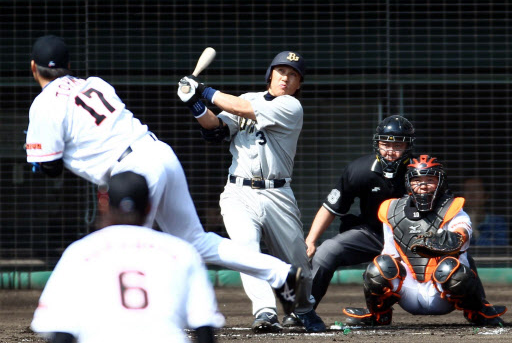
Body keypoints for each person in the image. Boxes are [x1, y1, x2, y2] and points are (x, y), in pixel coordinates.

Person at [25, 35, 302, 317]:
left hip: (133, 172)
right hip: (159, 152)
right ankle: (280, 272)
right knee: (195, 240)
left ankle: (137, 315)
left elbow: (51, 167)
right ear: (69, 65)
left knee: (126, 245)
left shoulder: (44, 104)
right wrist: (197, 103)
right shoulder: (94, 84)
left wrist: (36, 155)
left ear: (34, 67)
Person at [176, 51, 326, 333]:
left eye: (293, 74)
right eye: (281, 71)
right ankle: (265, 311)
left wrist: (203, 90)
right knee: (246, 249)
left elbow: (243, 109)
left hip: (277, 193)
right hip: (238, 192)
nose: (286, 78)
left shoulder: (291, 107)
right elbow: (217, 129)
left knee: (298, 266)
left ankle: (302, 309)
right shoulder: (249, 97)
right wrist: (195, 104)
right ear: (271, 74)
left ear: (298, 84)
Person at [31, 171, 225, 343]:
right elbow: (204, 328)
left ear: (103, 203)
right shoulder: (182, 251)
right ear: (150, 207)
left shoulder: (80, 252)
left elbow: (62, 332)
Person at [343, 155, 507, 326]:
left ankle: (477, 311)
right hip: (409, 290)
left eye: (430, 179)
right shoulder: (392, 209)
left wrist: (444, 241)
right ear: (408, 182)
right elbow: (390, 251)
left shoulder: (453, 208)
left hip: (441, 291)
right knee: (380, 265)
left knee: (451, 268)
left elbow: (462, 233)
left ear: (440, 182)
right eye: (417, 180)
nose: (423, 185)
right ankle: (378, 314)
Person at [305, 115, 415, 308]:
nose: (390, 151)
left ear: (408, 146)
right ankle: (303, 310)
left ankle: (478, 307)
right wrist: (311, 240)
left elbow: (445, 209)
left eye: (398, 145)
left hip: (413, 239)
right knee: (327, 251)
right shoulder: (360, 170)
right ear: (377, 144)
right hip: (372, 234)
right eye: (385, 145)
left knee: (454, 264)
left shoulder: (423, 172)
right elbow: (331, 207)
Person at [462, 177, 509, 246]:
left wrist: (475, 231)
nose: (472, 194)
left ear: (486, 196)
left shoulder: (497, 222)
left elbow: (500, 250)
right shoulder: (456, 221)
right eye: (468, 189)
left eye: (476, 189)